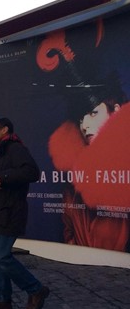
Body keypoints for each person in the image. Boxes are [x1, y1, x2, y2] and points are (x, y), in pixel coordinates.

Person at [48, 79, 130, 251]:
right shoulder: (72, 184)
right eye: (80, 119)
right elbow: (68, 230)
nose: (85, 125)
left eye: (93, 113)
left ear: (115, 111)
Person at [0, 118, 50, 309]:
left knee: (1, 256)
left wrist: (4, 177)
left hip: (9, 213)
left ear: (4, 129)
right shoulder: (0, 152)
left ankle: (35, 289)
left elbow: (32, 172)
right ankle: (3, 301)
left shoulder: (15, 149)